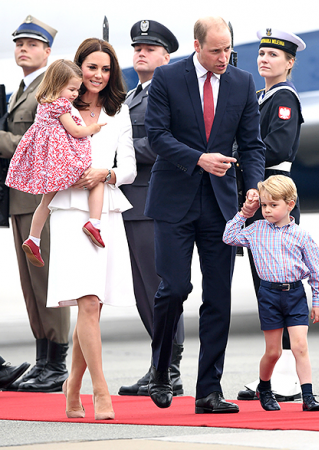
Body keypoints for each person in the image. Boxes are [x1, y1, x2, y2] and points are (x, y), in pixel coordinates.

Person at [144, 16, 265, 412]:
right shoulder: (167, 78)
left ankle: (209, 391)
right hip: (174, 200)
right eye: (215, 50)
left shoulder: (242, 82)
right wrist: (198, 158)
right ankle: (161, 371)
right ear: (196, 47)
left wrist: (254, 186)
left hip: (221, 206)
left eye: (228, 49)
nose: (224, 57)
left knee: (219, 298)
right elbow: (157, 136)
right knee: (174, 288)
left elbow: (253, 145)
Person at [46, 38, 136, 420]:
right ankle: (101, 390)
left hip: (107, 208)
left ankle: (71, 388)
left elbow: (129, 167)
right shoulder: (60, 108)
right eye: (91, 67)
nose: (98, 75)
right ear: (78, 67)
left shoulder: (119, 110)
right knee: (86, 302)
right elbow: (46, 156)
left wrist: (108, 173)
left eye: (105, 69)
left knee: (93, 308)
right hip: (70, 209)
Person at [0, 15, 70, 393]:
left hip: (40, 197)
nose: (22, 49)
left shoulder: (50, 88)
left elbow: (34, 141)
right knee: (30, 285)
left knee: (46, 280)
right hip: (19, 197)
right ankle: (43, 358)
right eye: (18, 43)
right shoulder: (21, 88)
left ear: (47, 51)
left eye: (31, 44)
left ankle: (56, 362)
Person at [238, 28, 307, 402]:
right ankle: (271, 375)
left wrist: (237, 154)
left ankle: (290, 379)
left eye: (274, 55)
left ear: (290, 62)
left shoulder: (284, 98)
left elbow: (275, 146)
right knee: (267, 290)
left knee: (283, 290)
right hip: (263, 199)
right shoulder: (263, 96)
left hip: (275, 196)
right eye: (262, 53)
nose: (265, 59)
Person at [118, 20, 185, 398]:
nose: (140, 52)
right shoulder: (132, 97)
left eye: (149, 47)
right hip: (132, 201)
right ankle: (159, 364)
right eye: (137, 47)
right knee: (145, 290)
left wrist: (120, 153)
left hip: (155, 200)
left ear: (166, 56)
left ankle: (169, 368)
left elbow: (167, 143)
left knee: (161, 287)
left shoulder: (171, 92)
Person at [223, 175, 319, 412]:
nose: (267, 210)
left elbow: (315, 270)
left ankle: (308, 396)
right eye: (265, 205)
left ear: (290, 204)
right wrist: (245, 213)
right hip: (269, 295)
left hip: (295, 294)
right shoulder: (256, 229)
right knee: (273, 352)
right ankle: (265, 389)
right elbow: (228, 237)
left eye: (273, 205)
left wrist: (318, 301)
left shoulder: (301, 235)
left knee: (300, 346)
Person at [6, 59, 107, 268]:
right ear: (57, 83)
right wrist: (94, 128)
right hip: (61, 161)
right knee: (95, 178)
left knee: (45, 204)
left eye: (77, 90)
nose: (74, 94)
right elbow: (76, 131)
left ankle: (33, 239)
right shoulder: (60, 105)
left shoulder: (43, 102)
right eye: (71, 89)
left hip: (47, 163)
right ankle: (94, 222)